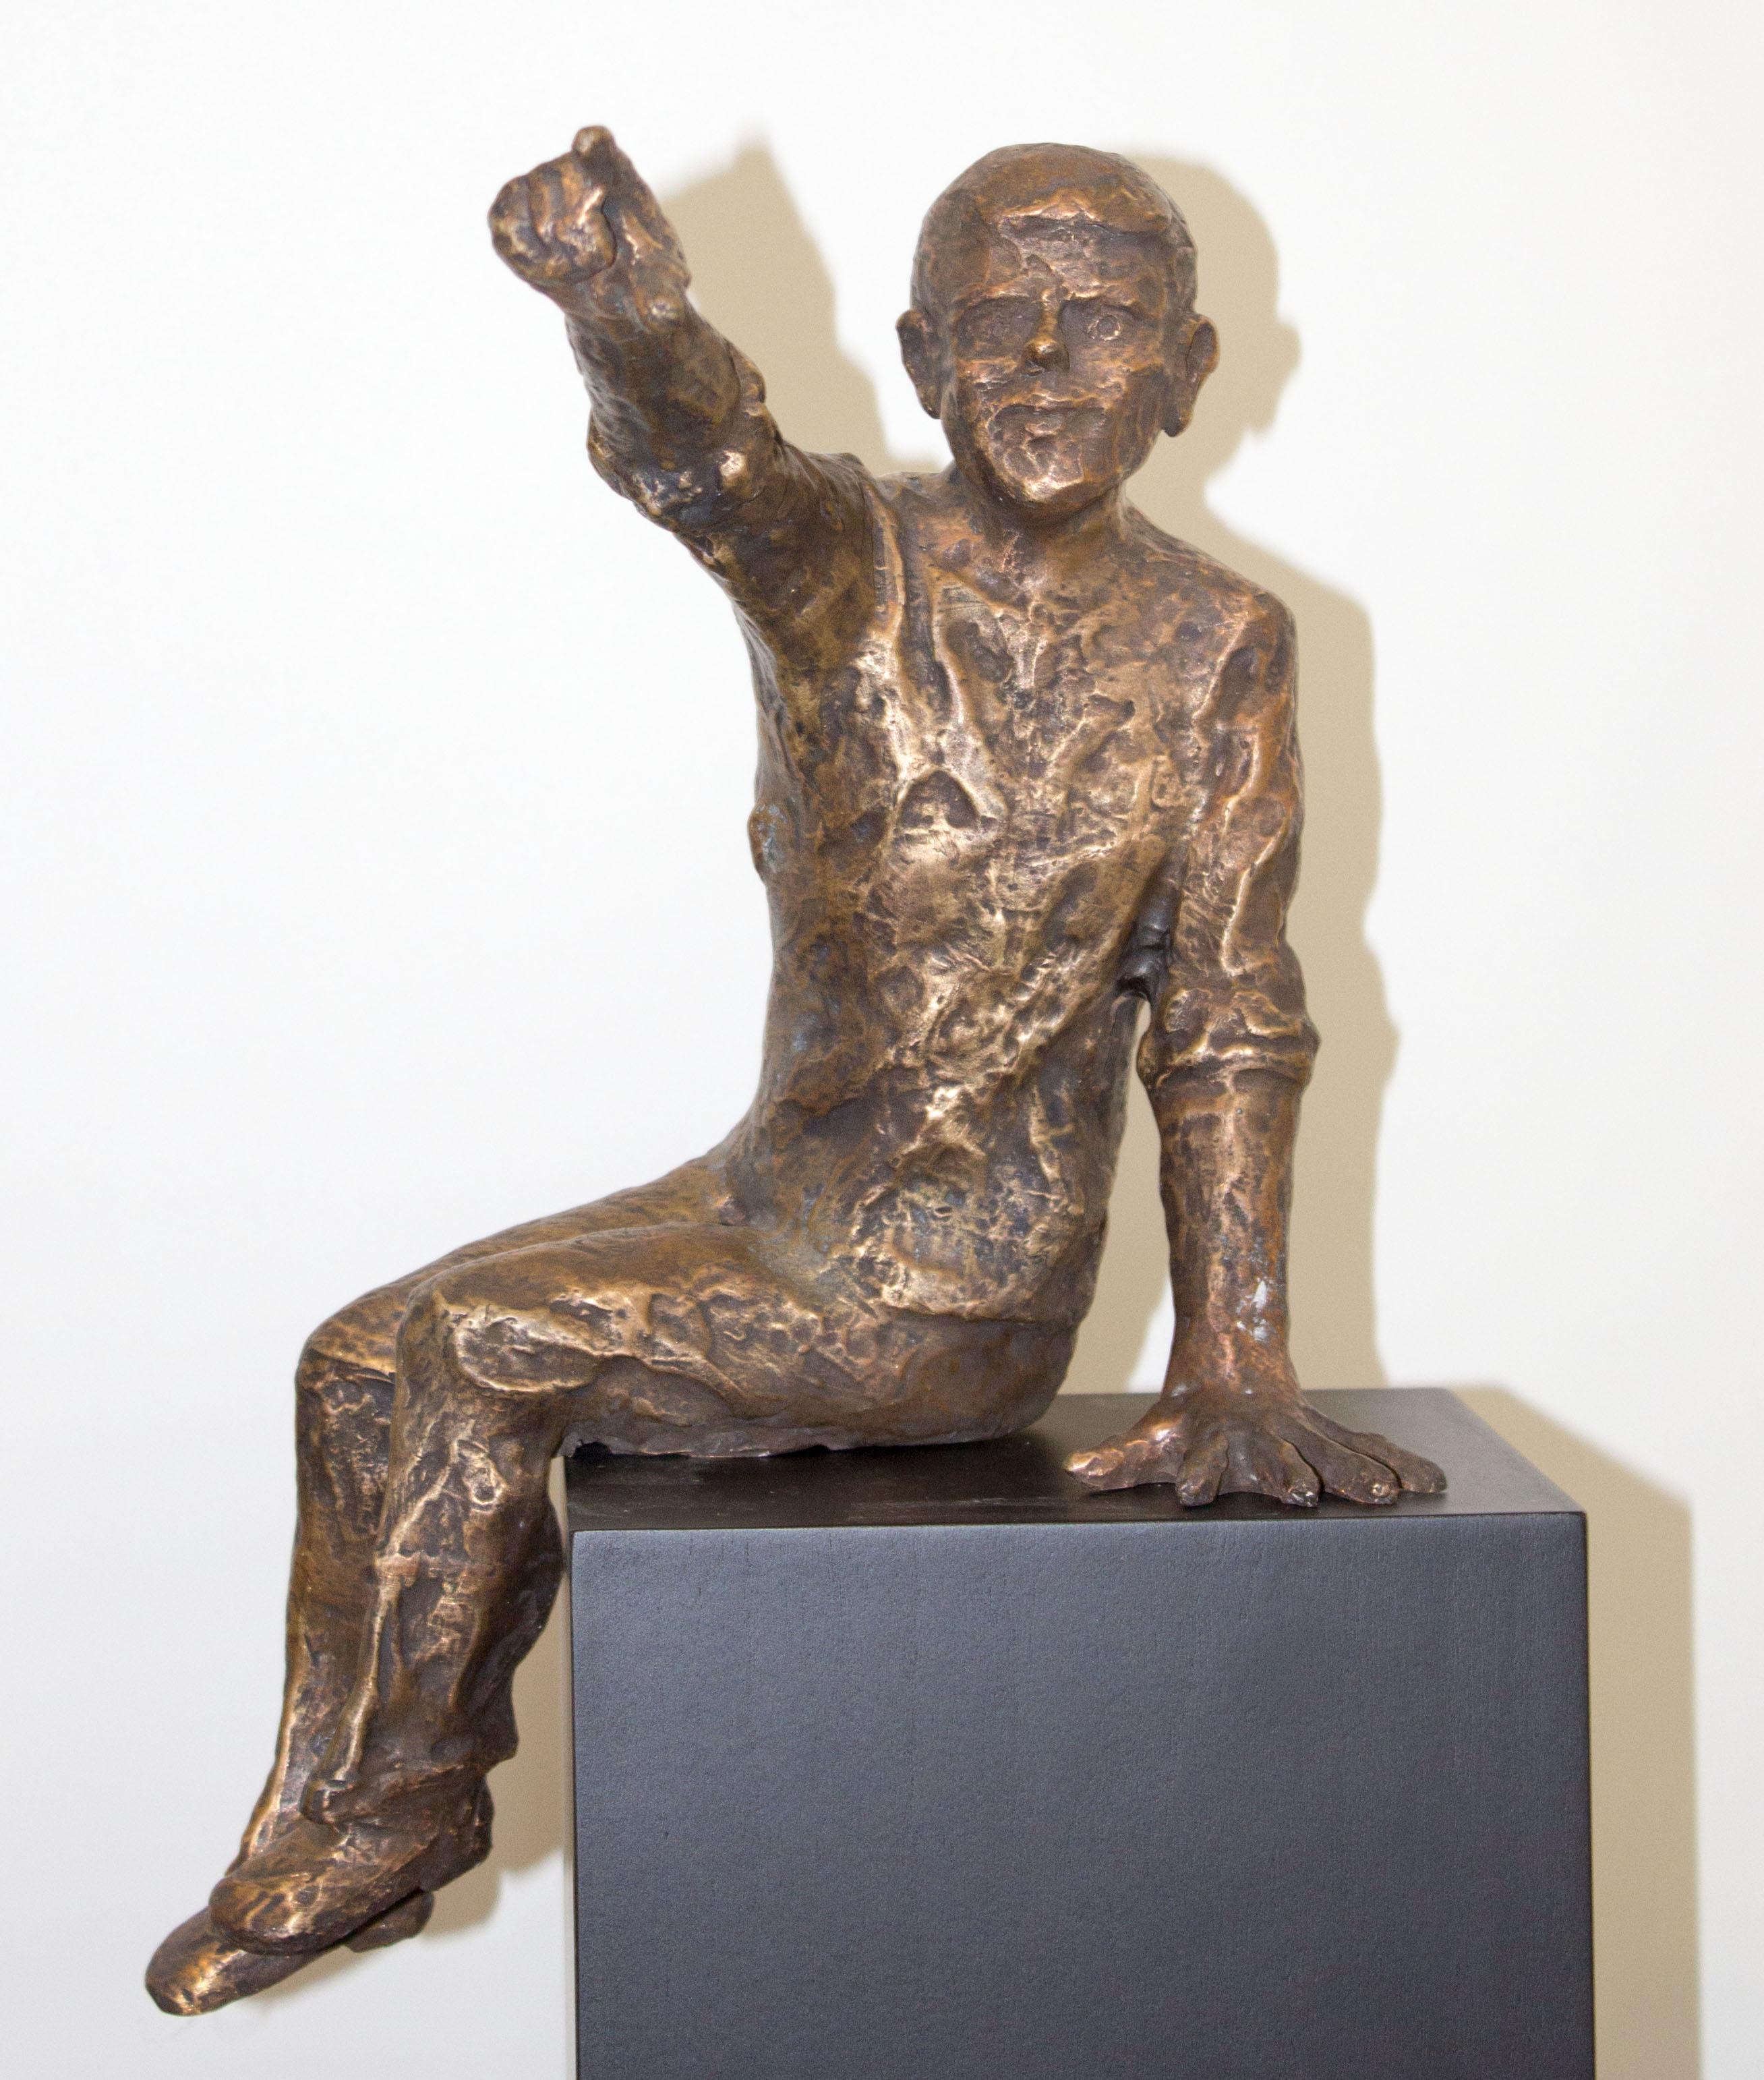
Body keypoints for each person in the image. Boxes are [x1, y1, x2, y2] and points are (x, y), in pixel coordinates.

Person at [148, 127, 1442, 2016]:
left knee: (478, 1349)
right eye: (997, 319)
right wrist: (625, 312)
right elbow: (713, 465)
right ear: (923, 360)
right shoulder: (851, 571)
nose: (1046, 360)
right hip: (771, 1203)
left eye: (1103, 321)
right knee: (359, 1361)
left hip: (949, 1294)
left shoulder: (1220, 643)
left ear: (1187, 373)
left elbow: (1229, 1007)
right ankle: (356, 1811)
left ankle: (391, 1811)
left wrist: (1234, 1355)